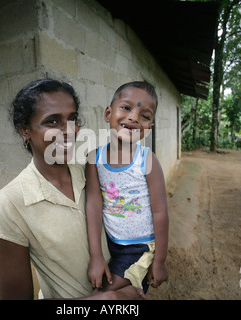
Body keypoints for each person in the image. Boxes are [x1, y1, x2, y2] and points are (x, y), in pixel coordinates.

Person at [0, 78, 144, 300]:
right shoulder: (10, 204)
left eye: (73, 118)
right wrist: (106, 300)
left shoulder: (94, 173)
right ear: (25, 131)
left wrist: (134, 278)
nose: (69, 131)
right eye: (52, 121)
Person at [86, 81, 169, 295]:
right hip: (111, 243)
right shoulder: (94, 158)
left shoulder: (147, 160)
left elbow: (160, 213)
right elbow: (94, 204)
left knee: (101, 294)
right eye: (126, 107)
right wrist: (97, 256)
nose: (133, 117)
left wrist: (159, 260)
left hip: (139, 248)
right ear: (108, 113)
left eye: (145, 116)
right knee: (114, 292)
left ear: (149, 128)